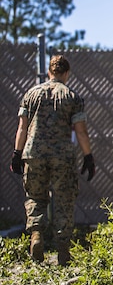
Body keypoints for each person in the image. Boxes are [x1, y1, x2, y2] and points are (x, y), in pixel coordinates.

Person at [10, 54, 96, 266]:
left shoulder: (31, 94)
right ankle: (63, 251)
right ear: (67, 73)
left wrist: (17, 153)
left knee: (36, 197)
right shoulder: (72, 97)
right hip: (62, 156)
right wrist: (88, 156)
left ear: (49, 72)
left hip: (34, 153)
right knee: (64, 199)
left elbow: (22, 127)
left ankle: (37, 236)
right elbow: (81, 132)